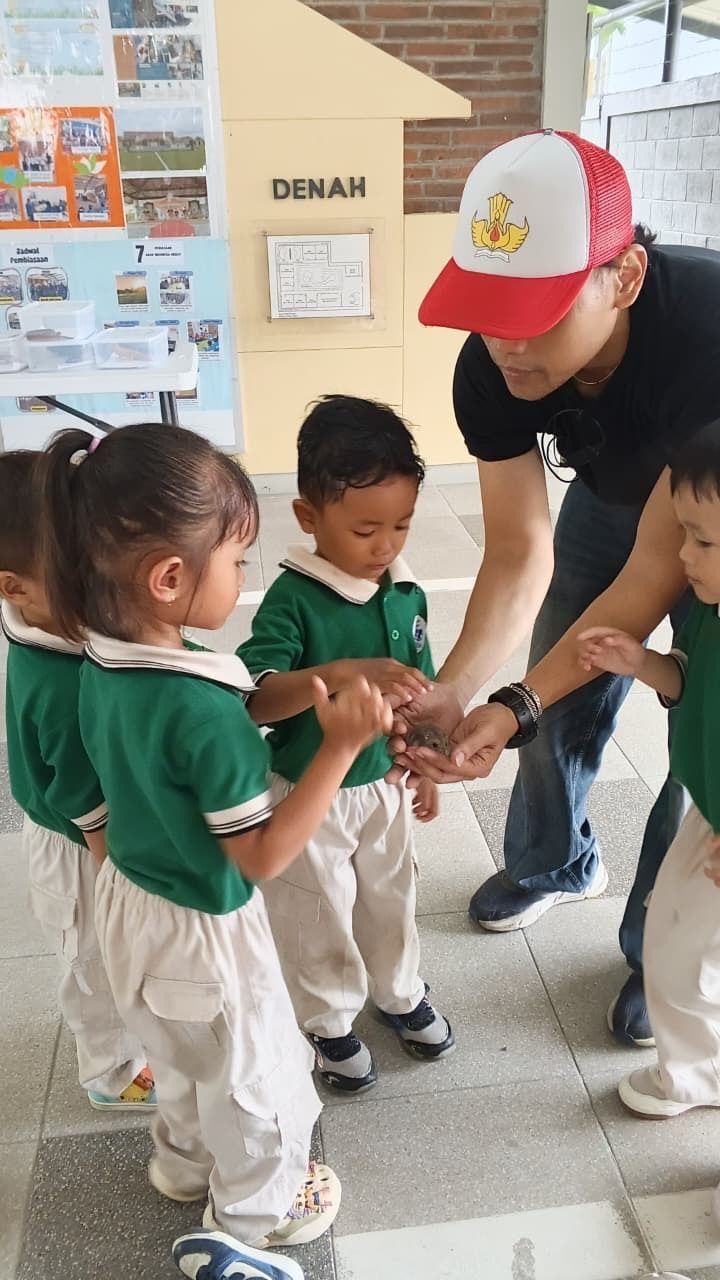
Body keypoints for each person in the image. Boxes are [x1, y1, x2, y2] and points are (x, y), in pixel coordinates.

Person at [392, 128, 720, 1048]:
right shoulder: (492, 365)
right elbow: (516, 550)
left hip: (711, 518)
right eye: (487, 308)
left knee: (704, 736)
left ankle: (663, 952)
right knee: (548, 678)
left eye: (534, 310)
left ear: (626, 276)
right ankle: (555, 861)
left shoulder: (705, 339)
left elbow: (655, 574)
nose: (506, 339)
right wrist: (465, 692)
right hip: (619, 494)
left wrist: (517, 704)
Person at [37, 423, 392, 1249]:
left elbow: (240, 700)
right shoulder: (200, 715)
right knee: (257, 1076)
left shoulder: (105, 657)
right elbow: (262, 854)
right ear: (169, 577)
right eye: (235, 560)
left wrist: (322, 679)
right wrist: (339, 750)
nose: (243, 576)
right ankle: (253, 1220)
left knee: (186, 1057)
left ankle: (183, 1164)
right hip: (205, 929)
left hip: (134, 904)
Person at [239, 396, 454, 1092]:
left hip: (384, 785)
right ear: (308, 517)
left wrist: (426, 763)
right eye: (365, 529)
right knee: (316, 907)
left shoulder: (405, 591)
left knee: (392, 895)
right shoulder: (293, 599)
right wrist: (336, 674)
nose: (386, 545)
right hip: (311, 791)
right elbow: (254, 697)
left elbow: (420, 690)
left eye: (401, 524)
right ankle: (328, 1020)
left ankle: (398, 990)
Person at [0, 450, 156, 1112]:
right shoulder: (59, 680)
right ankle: (110, 1072)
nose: (99, 591)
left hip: (99, 822)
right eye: (77, 579)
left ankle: (133, 1043)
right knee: (93, 959)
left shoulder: (57, 624)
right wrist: (123, 877)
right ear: (14, 587)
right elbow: (80, 798)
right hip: (78, 847)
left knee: (120, 956)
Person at [576, 423, 720, 1139]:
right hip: (707, 811)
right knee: (668, 937)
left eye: (704, 541)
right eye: (684, 533)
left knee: (687, 954)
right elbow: (687, 679)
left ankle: (696, 1072)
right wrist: (641, 663)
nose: (683, 555)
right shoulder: (711, 612)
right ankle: (693, 1068)